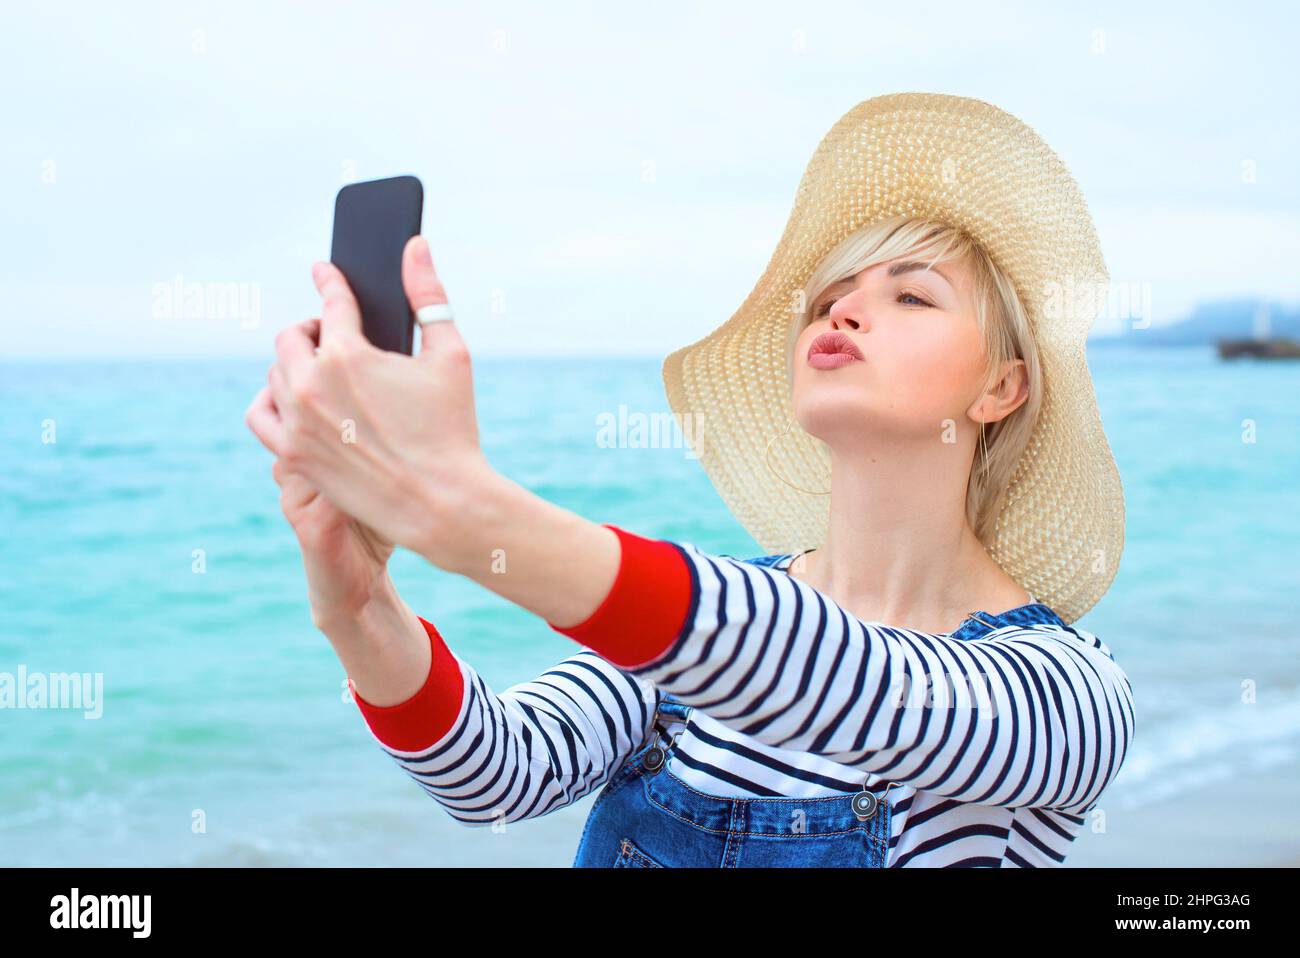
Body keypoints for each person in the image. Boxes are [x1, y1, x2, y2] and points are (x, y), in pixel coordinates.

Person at [245, 92, 1134, 867]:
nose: (844, 309)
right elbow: (493, 773)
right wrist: (358, 608)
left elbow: (854, 687)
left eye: (913, 295)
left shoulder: (1068, 690)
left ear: (1001, 387)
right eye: (831, 298)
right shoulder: (700, 638)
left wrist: (470, 516)